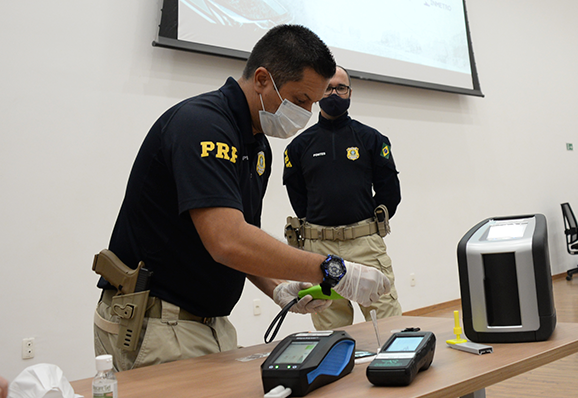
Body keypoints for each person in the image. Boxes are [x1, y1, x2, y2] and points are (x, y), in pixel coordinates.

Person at [93, 25, 391, 371]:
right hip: (158, 320)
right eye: (299, 100)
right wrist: (331, 269)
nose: (307, 113)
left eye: (311, 102)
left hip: (205, 321)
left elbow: (244, 235)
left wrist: (279, 288)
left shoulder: (256, 144)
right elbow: (227, 240)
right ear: (262, 79)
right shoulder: (201, 124)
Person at [283, 66, 402, 330]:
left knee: (389, 324)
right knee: (331, 332)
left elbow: (389, 191)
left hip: (365, 246)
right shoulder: (299, 147)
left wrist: (365, 224)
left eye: (341, 88)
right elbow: (298, 197)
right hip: (319, 250)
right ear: (317, 94)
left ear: (350, 93)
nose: (334, 93)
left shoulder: (372, 139)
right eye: (328, 88)